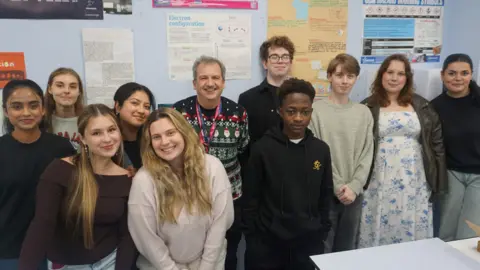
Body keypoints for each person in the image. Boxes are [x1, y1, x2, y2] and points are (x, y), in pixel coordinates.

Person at [18, 104, 136, 270]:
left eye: (112, 130)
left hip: (110, 261)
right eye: (96, 133)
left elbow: (126, 236)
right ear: (83, 139)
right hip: (66, 264)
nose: (107, 138)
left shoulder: (126, 179)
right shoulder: (59, 171)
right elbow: (42, 225)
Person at [358, 54, 447, 248]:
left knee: (409, 218)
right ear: (381, 75)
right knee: (379, 217)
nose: (394, 78)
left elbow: (436, 145)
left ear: (407, 78)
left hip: (415, 177)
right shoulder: (367, 105)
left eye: (400, 73)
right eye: (390, 72)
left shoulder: (422, 105)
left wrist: (438, 183)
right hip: (378, 176)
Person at [243, 78, 333, 270]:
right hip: (268, 245)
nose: (298, 118)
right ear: (280, 112)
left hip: (308, 242)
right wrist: (254, 237)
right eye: (291, 111)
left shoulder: (321, 150)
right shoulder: (262, 149)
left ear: (311, 112)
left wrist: (322, 230)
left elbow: (325, 196)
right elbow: (251, 198)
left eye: (305, 112)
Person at [128, 107, 234, 269]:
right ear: (150, 143)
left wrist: (206, 267)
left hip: (210, 262)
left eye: (171, 133)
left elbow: (220, 224)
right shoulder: (144, 180)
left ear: (184, 133)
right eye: (156, 137)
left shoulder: (212, 167)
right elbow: (146, 238)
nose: (165, 142)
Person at [173, 55, 249, 270]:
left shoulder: (238, 113)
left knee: (229, 252)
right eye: (203, 78)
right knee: (193, 252)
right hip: (189, 197)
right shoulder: (179, 113)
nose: (210, 83)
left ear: (223, 82)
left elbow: (243, 149)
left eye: (215, 77)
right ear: (195, 83)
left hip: (230, 197)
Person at [0, 79, 76, 269]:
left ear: (43, 109)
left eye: (33, 106)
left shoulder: (61, 147)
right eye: (17, 107)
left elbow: (75, 192)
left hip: (56, 248)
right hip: (10, 250)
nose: (26, 113)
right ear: (5, 111)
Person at [309, 53, 374, 253]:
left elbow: (367, 153)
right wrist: (337, 185)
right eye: (339, 75)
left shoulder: (363, 112)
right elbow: (315, 155)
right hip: (325, 192)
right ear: (329, 76)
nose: (345, 81)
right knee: (323, 248)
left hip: (354, 194)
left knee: (346, 250)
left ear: (356, 78)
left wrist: (354, 186)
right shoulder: (315, 110)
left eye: (350, 76)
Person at [432, 53, 480, 241]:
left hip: (478, 175)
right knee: (446, 230)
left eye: (464, 73)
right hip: (450, 174)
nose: (458, 78)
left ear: (471, 75)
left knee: (470, 232)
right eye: (452, 73)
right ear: (442, 75)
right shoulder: (434, 106)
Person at [238, 35, 295, 144]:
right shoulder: (248, 98)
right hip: (258, 160)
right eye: (274, 57)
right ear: (265, 63)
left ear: (290, 63)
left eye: (285, 57)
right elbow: (243, 141)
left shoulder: (299, 97)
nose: (280, 61)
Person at [114, 82, 156, 172]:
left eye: (147, 107)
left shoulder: (152, 138)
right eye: (135, 103)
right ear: (117, 106)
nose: (141, 111)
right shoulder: (108, 141)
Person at [44, 67, 84, 149]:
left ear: (79, 91)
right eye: (60, 86)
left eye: (72, 86)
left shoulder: (89, 119)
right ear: (50, 89)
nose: (66, 91)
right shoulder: (40, 122)